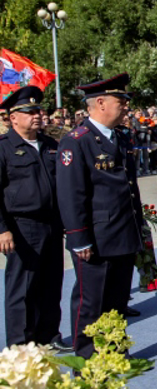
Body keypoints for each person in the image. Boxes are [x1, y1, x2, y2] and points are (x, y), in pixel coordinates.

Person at [57, 74, 144, 359]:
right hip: (96, 236)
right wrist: (78, 238)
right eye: (121, 102)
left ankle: (113, 350)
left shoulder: (118, 137)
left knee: (116, 300)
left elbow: (128, 187)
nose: (126, 107)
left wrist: (138, 225)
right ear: (101, 103)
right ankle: (86, 359)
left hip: (122, 232)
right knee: (90, 302)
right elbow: (71, 194)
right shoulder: (76, 141)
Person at [0, 87, 71, 352]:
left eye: (39, 110)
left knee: (51, 283)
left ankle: (49, 335)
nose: (37, 115)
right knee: (22, 288)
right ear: (13, 117)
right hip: (21, 226)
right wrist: (2, 230)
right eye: (29, 112)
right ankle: (19, 345)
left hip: (52, 224)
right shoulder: (5, 148)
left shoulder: (51, 145)